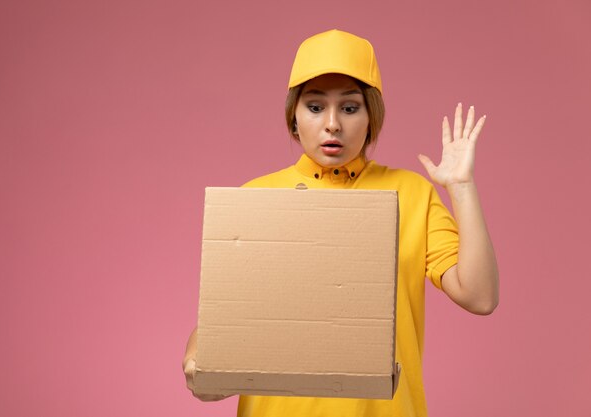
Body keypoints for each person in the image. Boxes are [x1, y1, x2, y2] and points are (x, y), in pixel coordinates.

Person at [182, 29, 499, 417]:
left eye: (349, 108)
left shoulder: (411, 194)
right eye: (315, 107)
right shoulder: (257, 197)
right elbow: (225, 316)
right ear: (294, 118)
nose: (332, 124)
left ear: (371, 119)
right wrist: (197, 358)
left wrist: (462, 188)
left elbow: (480, 297)